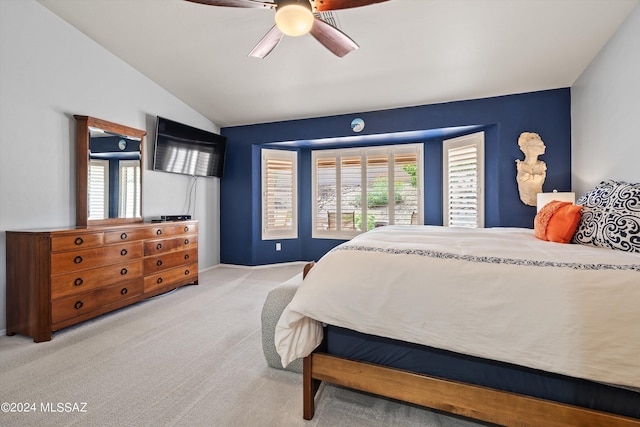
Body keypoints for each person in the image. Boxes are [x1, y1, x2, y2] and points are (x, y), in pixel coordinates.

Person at [515, 132, 546, 206]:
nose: (544, 146)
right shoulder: (521, 166)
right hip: (527, 199)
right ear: (530, 148)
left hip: (539, 199)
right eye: (540, 145)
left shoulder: (541, 165)